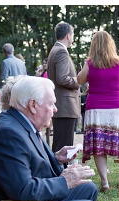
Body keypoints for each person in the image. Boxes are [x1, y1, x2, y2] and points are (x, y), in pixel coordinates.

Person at [77, 30, 119, 192]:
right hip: (117, 106)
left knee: (99, 146)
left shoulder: (90, 64)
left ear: (94, 45)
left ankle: (105, 181)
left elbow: (79, 80)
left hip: (96, 107)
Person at [46, 22, 81, 152]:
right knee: (64, 147)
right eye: (72, 35)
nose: (72, 38)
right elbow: (62, 78)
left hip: (60, 105)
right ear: (68, 36)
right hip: (65, 106)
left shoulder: (55, 50)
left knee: (60, 144)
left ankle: (59, 170)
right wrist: (79, 81)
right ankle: (62, 172)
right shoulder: (61, 52)